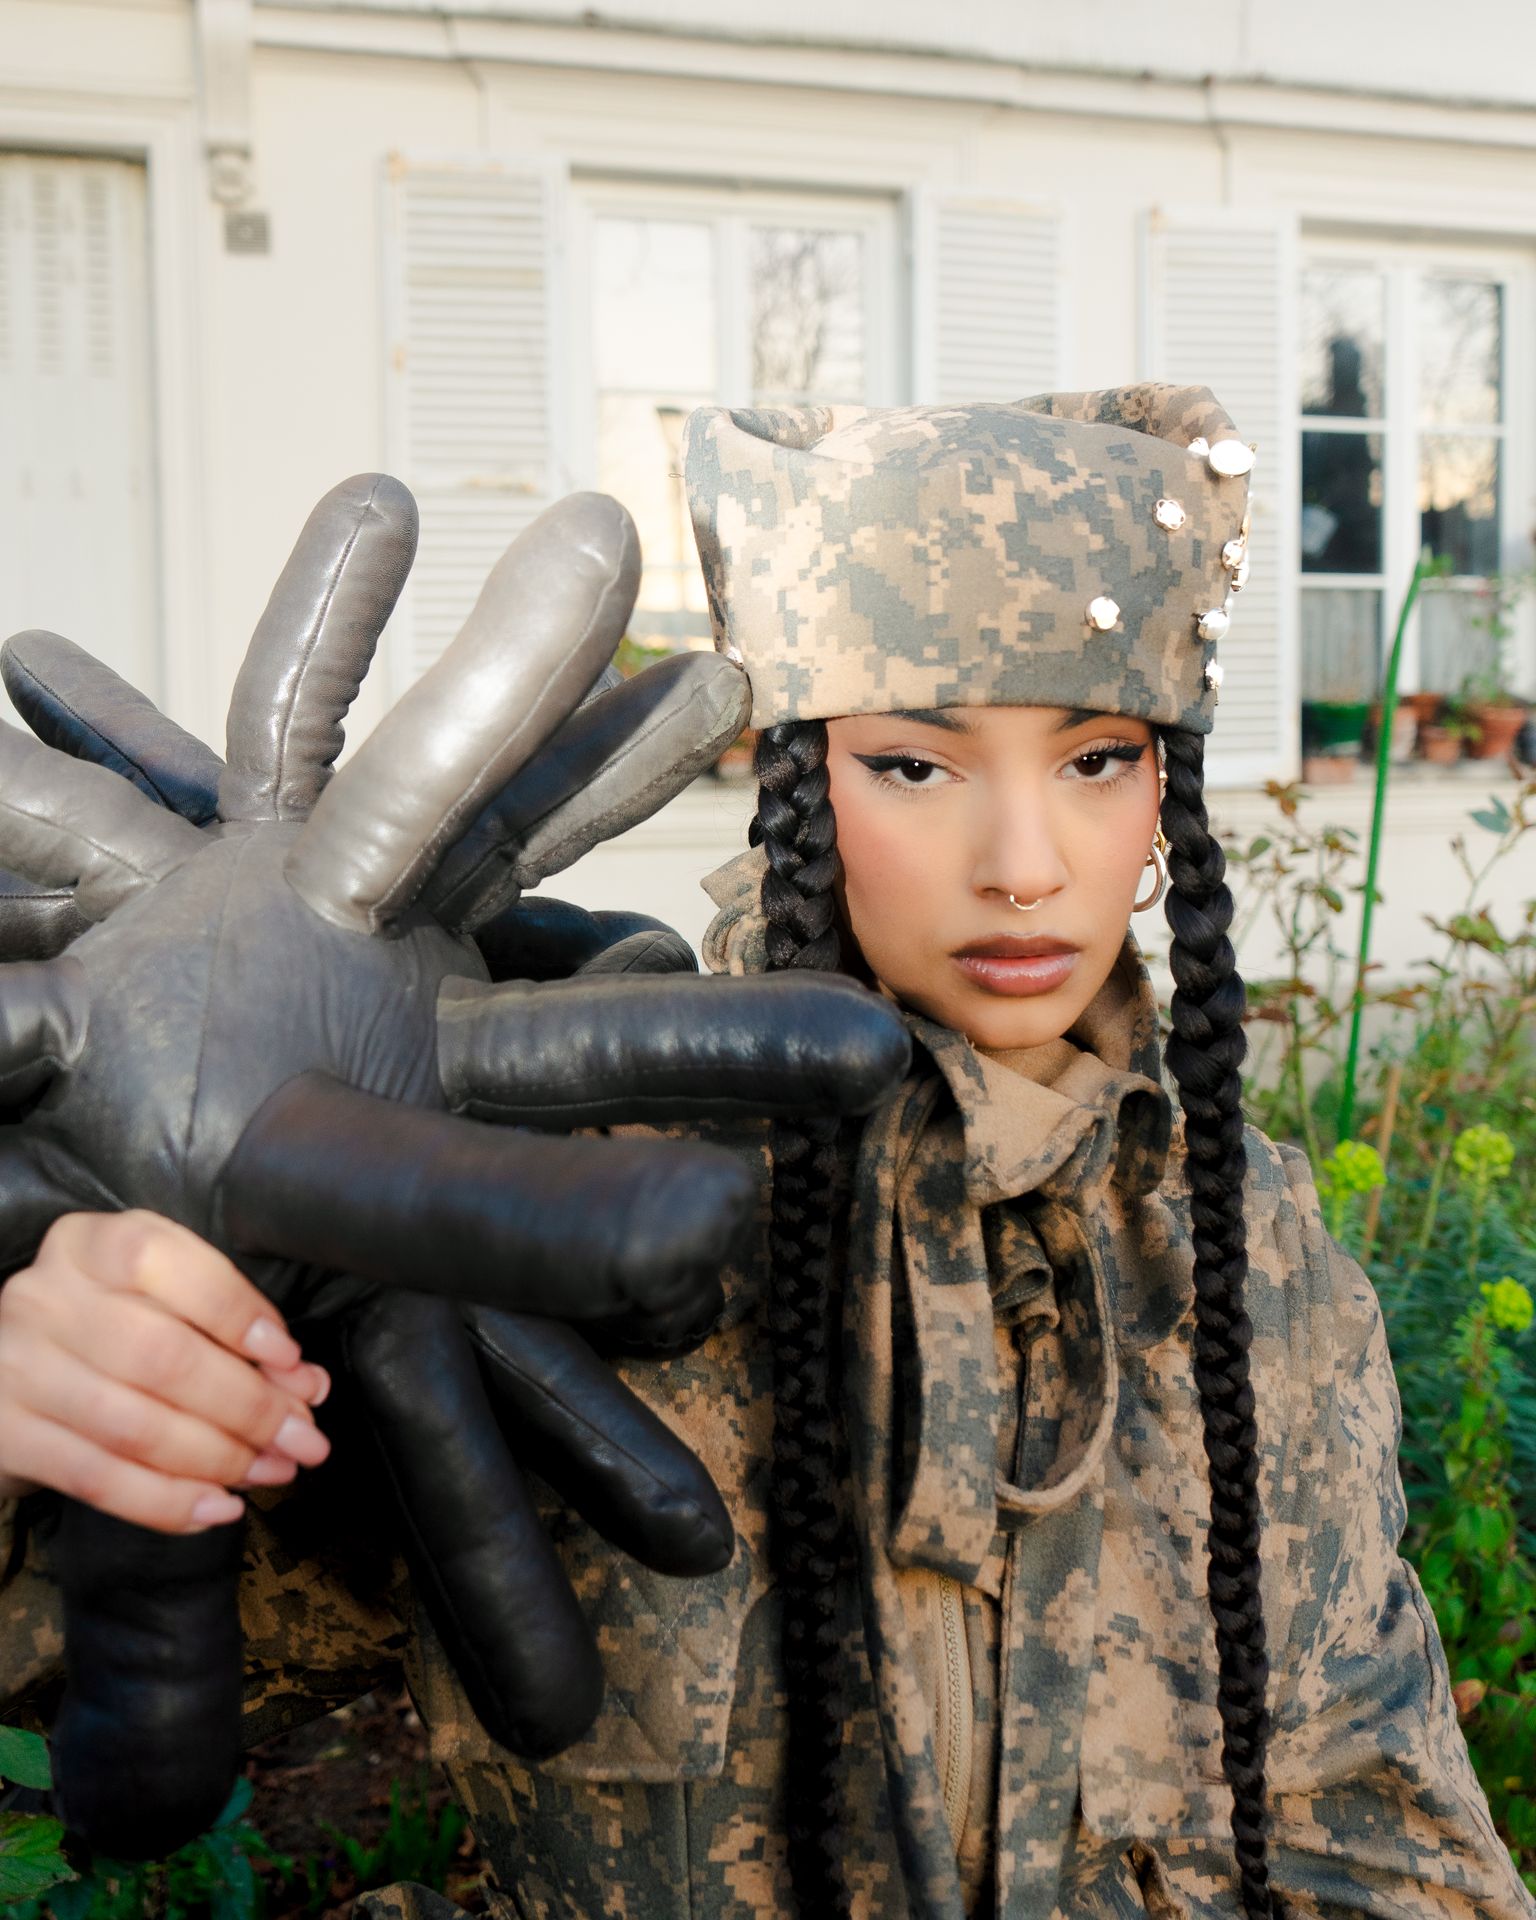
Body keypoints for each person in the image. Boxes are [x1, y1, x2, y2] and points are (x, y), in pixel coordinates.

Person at [1, 386, 1531, 1920]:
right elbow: (61, 1669)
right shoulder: (554, 1207)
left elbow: (1380, 1841)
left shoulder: (1252, 1252)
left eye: (1096, 759)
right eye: (916, 765)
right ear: (799, 784)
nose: (1024, 868)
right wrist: (66, 1375)